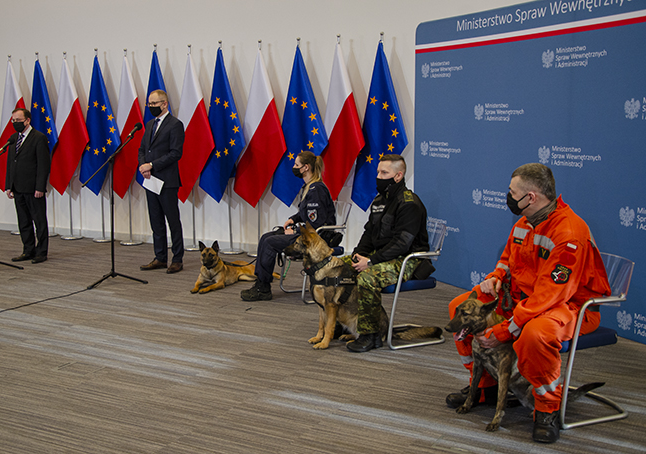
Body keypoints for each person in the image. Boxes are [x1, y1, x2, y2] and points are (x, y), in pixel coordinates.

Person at [445, 163, 610, 444]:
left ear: (531, 197)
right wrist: (496, 276)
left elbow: (550, 295)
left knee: (535, 334)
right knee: (460, 307)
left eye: (512, 192)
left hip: (570, 306)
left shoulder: (569, 233)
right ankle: (485, 385)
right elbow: (507, 259)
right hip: (525, 299)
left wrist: (504, 330)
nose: (508, 196)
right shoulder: (524, 222)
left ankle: (547, 409)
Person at [345, 154, 429, 353]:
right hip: (381, 255)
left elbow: (402, 244)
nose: (378, 177)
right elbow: (369, 233)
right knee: (339, 267)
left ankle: (370, 334)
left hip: (407, 259)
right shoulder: (379, 200)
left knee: (367, 278)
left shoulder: (409, 203)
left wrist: (370, 261)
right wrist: (358, 254)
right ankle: (346, 323)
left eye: (384, 173)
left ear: (398, 176)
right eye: (378, 172)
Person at [241, 151, 335, 301]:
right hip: (308, 235)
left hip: (315, 240)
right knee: (265, 237)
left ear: (306, 167)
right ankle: (261, 283)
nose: (294, 167)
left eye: (296, 165)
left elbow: (316, 223)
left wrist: (295, 230)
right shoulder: (309, 187)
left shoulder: (316, 190)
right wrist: (293, 219)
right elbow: (307, 214)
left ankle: (263, 288)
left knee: (270, 242)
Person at [138, 90, 185, 274]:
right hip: (150, 180)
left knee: (172, 221)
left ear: (165, 104)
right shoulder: (150, 124)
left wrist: (152, 165)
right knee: (156, 220)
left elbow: (175, 153)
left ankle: (177, 259)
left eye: (154, 104)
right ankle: (160, 257)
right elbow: (143, 149)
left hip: (167, 180)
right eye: (149, 104)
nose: (151, 107)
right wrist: (143, 165)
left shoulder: (175, 124)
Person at [5, 108, 51, 264]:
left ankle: (41, 252)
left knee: (39, 222)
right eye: (13, 120)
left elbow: (43, 165)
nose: (15, 123)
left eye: (18, 120)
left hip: (33, 189)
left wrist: (40, 187)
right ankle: (28, 250)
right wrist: (9, 185)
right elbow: (11, 164)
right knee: (23, 221)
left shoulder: (39, 138)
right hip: (18, 188)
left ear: (27, 120)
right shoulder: (13, 138)